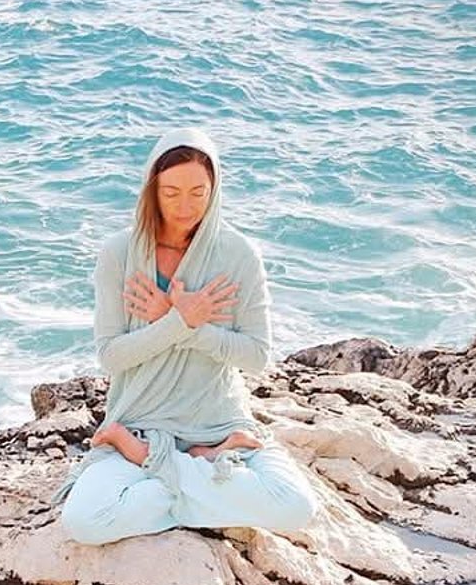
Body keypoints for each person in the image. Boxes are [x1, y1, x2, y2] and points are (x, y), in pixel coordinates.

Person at [56, 128, 320, 545]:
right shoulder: (120, 253)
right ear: (152, 190)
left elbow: (257, 356)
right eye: (171, 192)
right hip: (139, 423)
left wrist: (186, 325)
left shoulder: (238, 254)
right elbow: (111, 356)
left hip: (217, 426)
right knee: (85, 522)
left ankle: (160, 465)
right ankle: (196, 470)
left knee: (296, 507)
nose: (185, 206)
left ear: (215, 189)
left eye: (198, 192)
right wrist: (178, 322)